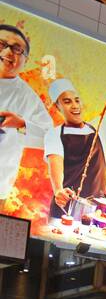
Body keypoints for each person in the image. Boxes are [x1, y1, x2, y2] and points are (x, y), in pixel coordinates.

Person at [45, 68, 106, 222]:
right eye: (67, 101)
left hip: (97, 213)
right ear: (57, 107)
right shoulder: (54, 134)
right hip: (64, 209)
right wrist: (58, 190)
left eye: (76, 100)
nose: (75, 105)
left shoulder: (99, 127)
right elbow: (56, 163)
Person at [0, 24, 51, 201]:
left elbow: (50, 137)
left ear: (26, 60)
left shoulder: (27, 97)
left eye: (16, 49)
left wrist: (21, 124)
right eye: (2, 44)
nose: (7, 52)